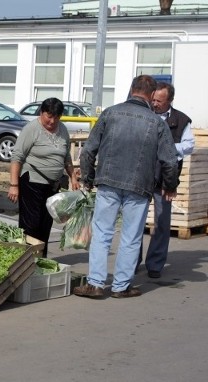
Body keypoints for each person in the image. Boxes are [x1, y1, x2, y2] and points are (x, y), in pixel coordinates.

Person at [74, 75, 178, 299]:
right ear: (151, 96)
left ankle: (95, 284)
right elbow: (170, 160)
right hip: (139, 187)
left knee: (102, 233)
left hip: (108, 183)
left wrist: (88, 179)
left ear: (131, 89)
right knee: (131, 236)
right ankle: (121, 287)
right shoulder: (156, 123)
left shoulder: (110, 113)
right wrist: (170, 186)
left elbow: (89, 150)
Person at [8, 97, 79, 258]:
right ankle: (26, 259)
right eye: (49, 116)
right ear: (41, 113)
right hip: (32, 182)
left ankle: (40, 259)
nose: (52, 121)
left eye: (56, 117)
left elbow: (66, 156)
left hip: (52, 185)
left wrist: (73, 177)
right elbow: (17, 157)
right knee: (31, 224)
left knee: (45, 224)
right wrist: (14, 185)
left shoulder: (63, 130)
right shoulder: (31, 129)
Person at [137, 82, 195, 278]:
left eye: (159, 101)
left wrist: (166, 147)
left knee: (162, 223)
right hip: (142, 176)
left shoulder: (181, 120)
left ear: (170, 101)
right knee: (135, 220)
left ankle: (155, 265)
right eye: (153, 99)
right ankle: (133, 261)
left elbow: (188, 146)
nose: (155, 104)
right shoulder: (144, 114)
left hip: (165, 179)